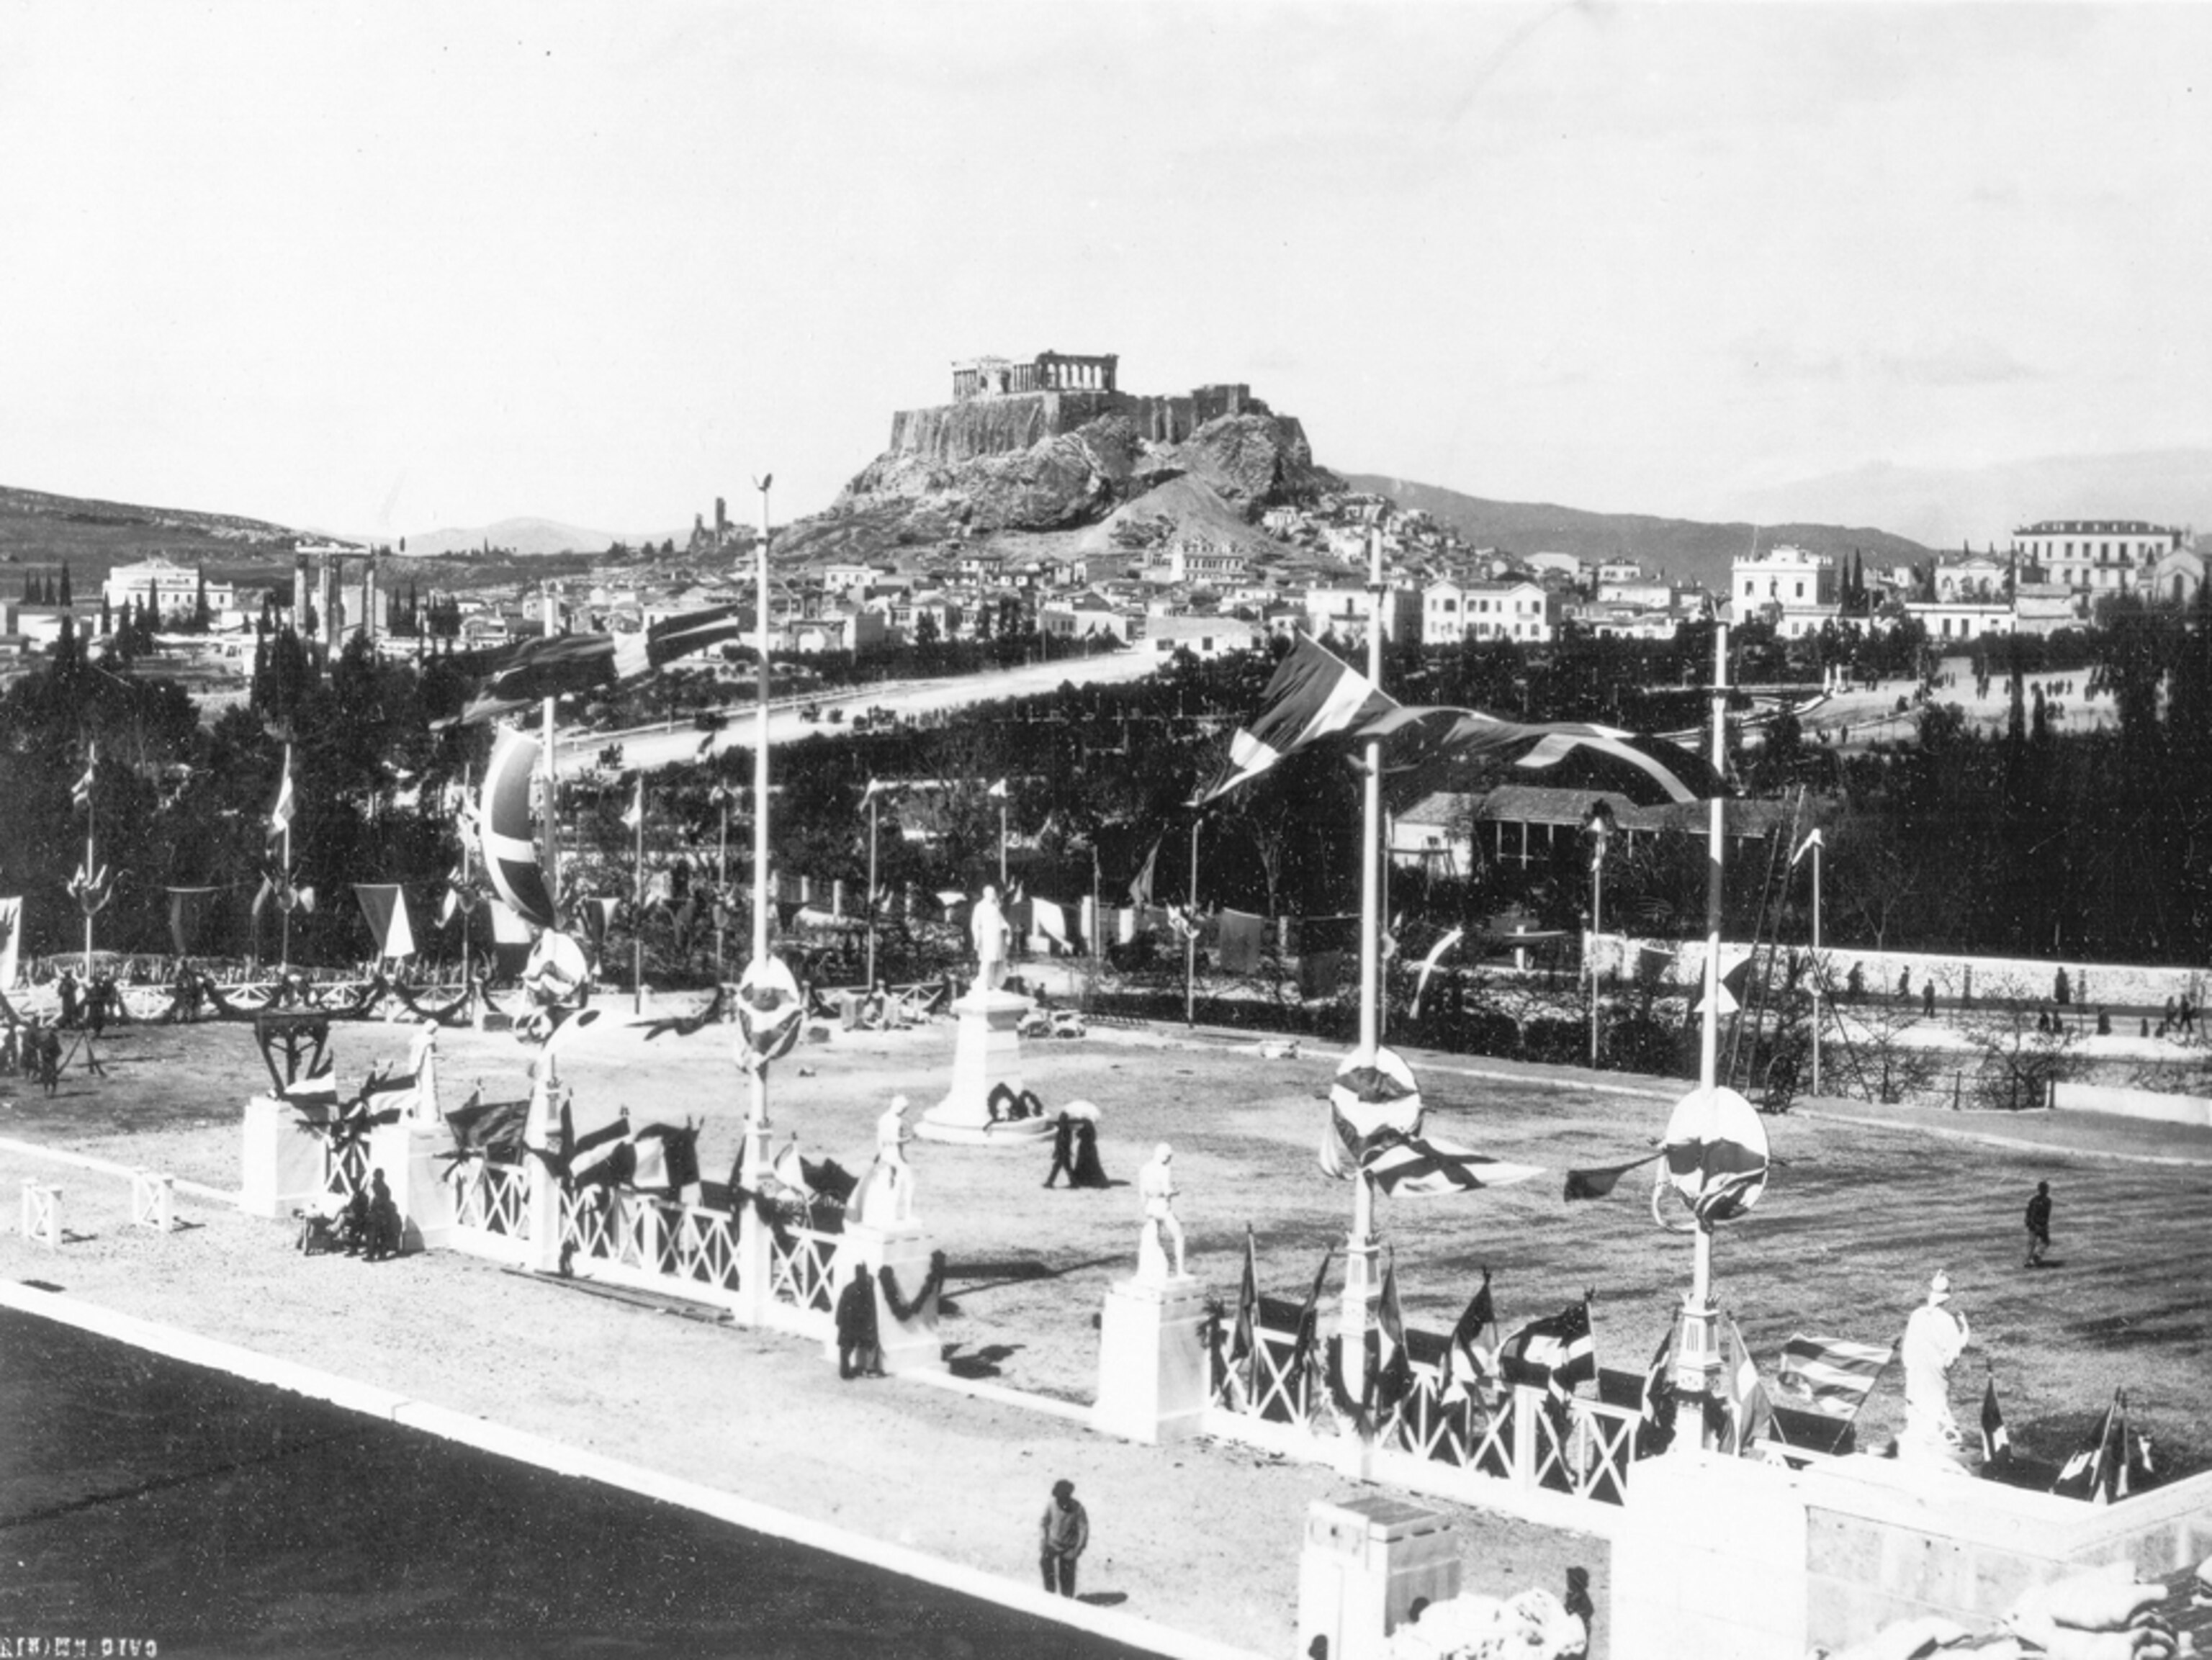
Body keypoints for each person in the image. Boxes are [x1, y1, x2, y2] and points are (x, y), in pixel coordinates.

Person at [1899, 1270, 1971, 1461]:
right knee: (1936, 1409)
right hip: (1935, 1375)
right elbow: (1952, 1355)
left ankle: (1919, 1440)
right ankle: (1935, 1443)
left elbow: (1908, 1350)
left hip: (1916, 1373)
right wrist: (1965, 1330)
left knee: (1918, 1408)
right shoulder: (1947, 1321)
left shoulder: (1917, 1315)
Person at [1137, 1142, 1185, 1280]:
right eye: (1168, 1157)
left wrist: (1145, 1208)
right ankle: (1180, 1271)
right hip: (1162, 1207)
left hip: (1150, 1207)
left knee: (1154, 1237)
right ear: (1165, 1156)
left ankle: (1154, 1269)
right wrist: (1176, 1192)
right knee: (1179, 1236)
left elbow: (1142, 1192)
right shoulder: (1164, 1169)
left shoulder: (1145, 1168)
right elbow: (1166, 1191)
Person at [1038, 1479, 1088, 1598]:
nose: (1062, 1500)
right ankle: (1049, 1596)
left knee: (1067, 1578)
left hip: (1068, 1548)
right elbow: (1043, 1522)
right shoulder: (1051, 1505)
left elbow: (1083, 1528)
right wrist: (1043, 1540)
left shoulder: (1078, 1508)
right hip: (1051, 1544)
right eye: (1059, 1497)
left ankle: (1067, 1602)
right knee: (1046, 1566)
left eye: (1065, 1497)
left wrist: (1077, 1549)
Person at [835, 1266, 881, 1380]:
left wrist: (838, 1320)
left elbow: (841, 1305)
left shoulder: (850, 1288)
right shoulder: (864, 1290)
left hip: (850, 1324)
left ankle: (847, 1371)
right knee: (847, 1349)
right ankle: (846, 1372)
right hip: (852, 1324)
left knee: (846, 1349)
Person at [971, 884, 1010, 993]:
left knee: (998, 961)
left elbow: (1002, 921)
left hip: (997, 938)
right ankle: (984, 983)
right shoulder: (980, 907)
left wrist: (1007, 928)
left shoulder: (995, 907)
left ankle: (995, 984)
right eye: (991, 893)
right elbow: (975, 924)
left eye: (994, 893)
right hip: (987, 938)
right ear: (985, 894)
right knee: (987, 961)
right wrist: (976, 938)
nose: (994, 895)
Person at [362, 1170, 403, 1262]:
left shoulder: (378, 1189)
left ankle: (371, 1255)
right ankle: (382, 1254)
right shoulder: (385, 1188)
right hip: (383, 1216)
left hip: (377, 1215)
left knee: (373, 1236)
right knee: (383, 1237)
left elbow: (378, 1202)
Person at [1071, 1117, 1110, 1190]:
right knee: (1093, 1164)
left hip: (1084, 1148)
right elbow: (1093, 1138)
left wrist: (1078, 1132)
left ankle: (1083, 1180)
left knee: (1083, 1164)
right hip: (1091, 1149)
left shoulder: (1084, 1129)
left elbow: (1079, 1135)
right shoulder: (1092, 1129)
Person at [1043, 1114, 1076, 1188]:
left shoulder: (1064, 1130)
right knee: (1067, 1168)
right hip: (1064, 1152)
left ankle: (1050, 1182)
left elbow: (1063, 1142)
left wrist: (1057, 1151)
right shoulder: (1065, 1130)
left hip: (1062, 1152)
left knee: (1057, 1167)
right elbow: (1063, 1142)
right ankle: (1074, 1182)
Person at [2025, 1181, 2053, 1268]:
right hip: (2036, 1225)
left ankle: (2032, 1259)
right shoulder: (2042, 1201)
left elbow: (2046, 1215)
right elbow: (2031, 1213)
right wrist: (2034, 1224)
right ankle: (2032, 1259)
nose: (2046, 1191)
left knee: (2038, 1243)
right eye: (2045, 1189)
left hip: (2038, 1225)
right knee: (2036, 1243)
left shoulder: (2037, 1200)